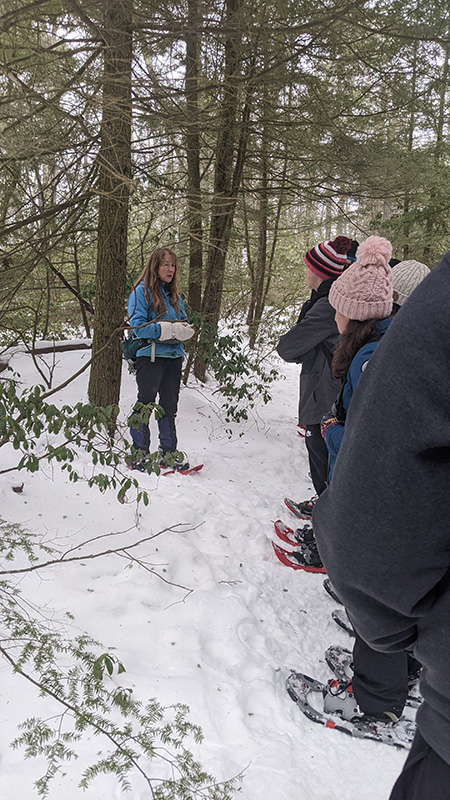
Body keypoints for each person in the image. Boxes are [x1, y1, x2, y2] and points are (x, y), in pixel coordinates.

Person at [311, 251, 450, 797]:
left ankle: (377, 695)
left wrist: (394, 634)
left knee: (388, 595)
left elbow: (377, 526)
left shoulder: (385, 350)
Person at [285, 235, 396, 571]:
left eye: (339, 311)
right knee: (328, 478)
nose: (335, 318)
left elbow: (361, 441)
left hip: (327, 407)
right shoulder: (366, 345)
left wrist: (332, 428)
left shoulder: (367, 358)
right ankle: (327, 539)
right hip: (329, 406)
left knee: (331, 476)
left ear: (353, 312)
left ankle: (331, 553)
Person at [277, 236, 352, 517]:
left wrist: (300, 348)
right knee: (323, 456)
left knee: (322, 456)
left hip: (324, 392)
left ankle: (328, 524)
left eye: (308, 266)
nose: (305, 271)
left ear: (319, 271)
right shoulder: (324, 300)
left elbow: (288, 347)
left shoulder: (327, 306)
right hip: (324, 387)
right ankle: (325, 512)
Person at [127, 247, 194, 471]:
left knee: (169, 407)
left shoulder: (174, 295)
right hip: (151, 358)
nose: (170, 269)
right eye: (166, 264)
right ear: (155, 266)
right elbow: (137, 326)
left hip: (173, 358)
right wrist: (166, 331)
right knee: (145, 403)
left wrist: (181, 331)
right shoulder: (141, 292)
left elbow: (183, 322)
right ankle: (140, 453)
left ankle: (168, 453)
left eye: (173, 265)